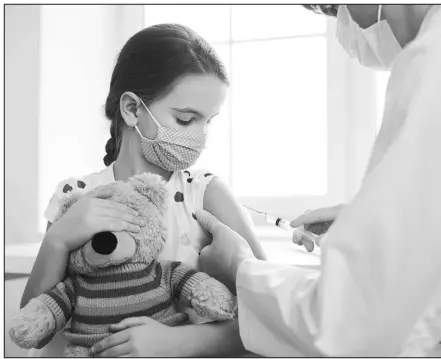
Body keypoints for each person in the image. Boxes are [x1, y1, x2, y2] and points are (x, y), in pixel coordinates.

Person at [195, 4, 441, 357]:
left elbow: (353, 321)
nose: (345, 26)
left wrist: (240, 268)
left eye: (330, 8)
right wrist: (367, 221)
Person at [21, 23, 266, 357]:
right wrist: (58, 240)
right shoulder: (74, 195)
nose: (200, 137)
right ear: (132, 109)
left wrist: (178, 342)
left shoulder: (206, 193)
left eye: (208, 121)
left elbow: (270, 319)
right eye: (185, 119)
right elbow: (33, 329)